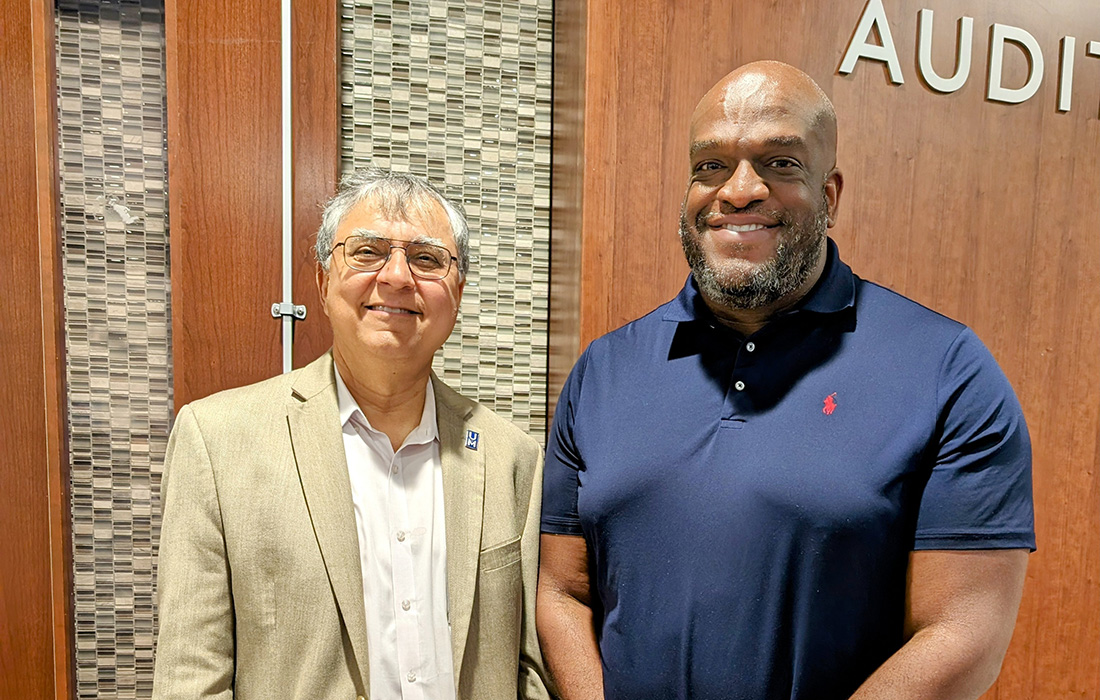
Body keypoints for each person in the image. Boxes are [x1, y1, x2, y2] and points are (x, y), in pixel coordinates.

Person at [537, 61, 1034, 700]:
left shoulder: (949, 371)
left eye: (780, 162)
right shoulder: (602, 372)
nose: (739, 191)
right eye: (710, 166)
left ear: (829, 196)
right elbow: (562, 591)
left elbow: (963, 632)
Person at [153, 168, 550, 699]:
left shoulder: (513, 457)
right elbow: (190, 678)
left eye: (427, 259)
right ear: (322, 282)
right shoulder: (217, 440)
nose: (397, 277)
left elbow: (530, 672)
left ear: (455, 294)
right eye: (366, 252)